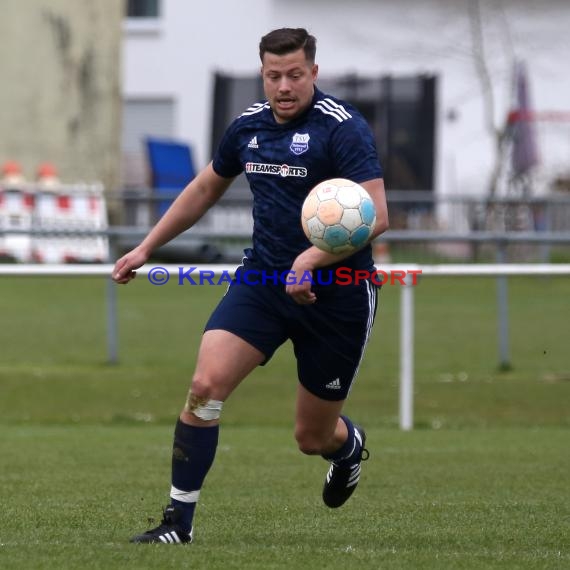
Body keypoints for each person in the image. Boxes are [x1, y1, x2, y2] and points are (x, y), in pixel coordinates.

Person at [112, 27, 389, 545]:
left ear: (314, 72)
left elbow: (375, 215)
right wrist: (147, 245)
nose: (283, 86)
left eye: (295, 75)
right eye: (273, 75)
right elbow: (203, 188)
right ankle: (178, 524)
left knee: (311, 437)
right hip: (262, 282)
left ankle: (346, 446)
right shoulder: (247, 127)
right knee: (204, 388)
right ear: (263, 73)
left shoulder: (343, 128)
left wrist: (311, 258)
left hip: (340, 292)